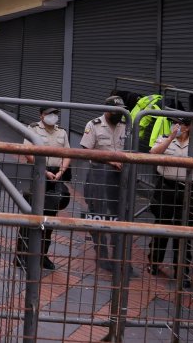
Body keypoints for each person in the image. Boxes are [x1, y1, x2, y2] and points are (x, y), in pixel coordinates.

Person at [148, 116, 193, 288]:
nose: (175, 126)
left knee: (185, 230)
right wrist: (171, 137)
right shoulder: (164, 138)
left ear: (188, 128)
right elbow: (153, 154)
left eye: (179, 124)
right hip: (166, 187)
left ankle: (182, 272)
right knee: (161, 226)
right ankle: (154, 263)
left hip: (188, 189)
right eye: (174, 123)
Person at [15, 106, 72, 271]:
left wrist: (61, 171)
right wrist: (44, 170)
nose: (53, 117)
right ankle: (21, 255)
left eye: (55, 114)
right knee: (31, 215)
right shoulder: (33, 129)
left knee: (50, 218)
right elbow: (27, 152)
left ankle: (42, 255)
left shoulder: (62, 132)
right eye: (49, 114)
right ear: (41, 115)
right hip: (37, 174)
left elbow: (67, 153)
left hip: (55, 177)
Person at [80, 96, 131, 273]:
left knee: (120, 215)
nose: (119, 113)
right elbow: (86, 151)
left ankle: (118, 257)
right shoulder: (93, 125)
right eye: (116, 110)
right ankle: (101, 255)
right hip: (98, 175)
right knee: (97, 215)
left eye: (121, 110)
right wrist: (110, 162)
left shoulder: (126, 125)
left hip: (119, 179)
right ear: (107, 109)